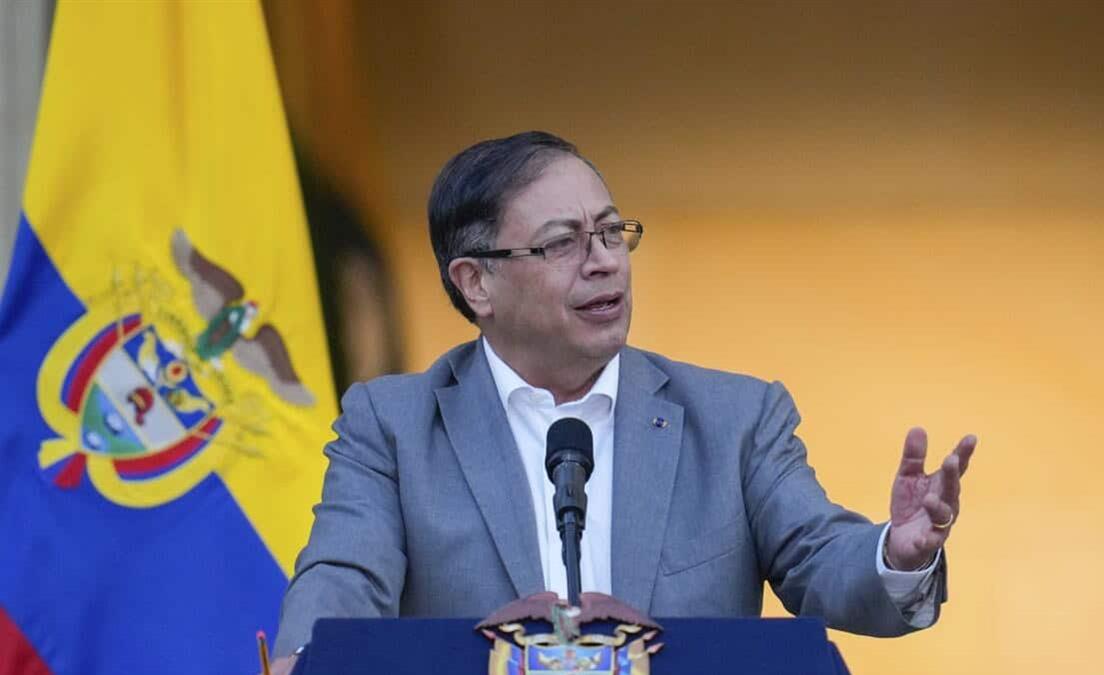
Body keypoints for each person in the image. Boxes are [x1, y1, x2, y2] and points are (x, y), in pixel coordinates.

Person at [267, 131, 978, 672]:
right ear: (476, 283)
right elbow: (344, 575)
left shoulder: (735, 419)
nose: (605, 260)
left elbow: (817, 558)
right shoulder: (394, 426)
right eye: (563, 244)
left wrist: (896, 552)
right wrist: (305, 659)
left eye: (611, 232)